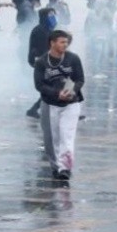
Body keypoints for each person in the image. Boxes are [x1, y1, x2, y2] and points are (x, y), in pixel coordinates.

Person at [34, 30, 84, 180]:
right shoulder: (41, 62)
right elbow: (39, 85)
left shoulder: (73, 59)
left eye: (66, 42)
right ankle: (56, 166)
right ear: (52, 43)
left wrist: (72, 91)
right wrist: (57, 93)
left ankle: (65, 168)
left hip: (71, 103)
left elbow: (80, 79)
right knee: (51, 139)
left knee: (66, 136)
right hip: (50, 104)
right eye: (62, 42)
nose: (65, 45)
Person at [26, 8, 57, 119]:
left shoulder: (48, 30)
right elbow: (40, 49)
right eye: (51, 15)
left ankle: (34, 109)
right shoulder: (39, 30)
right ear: (44, 17)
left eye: (54, 15)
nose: (53, 17)